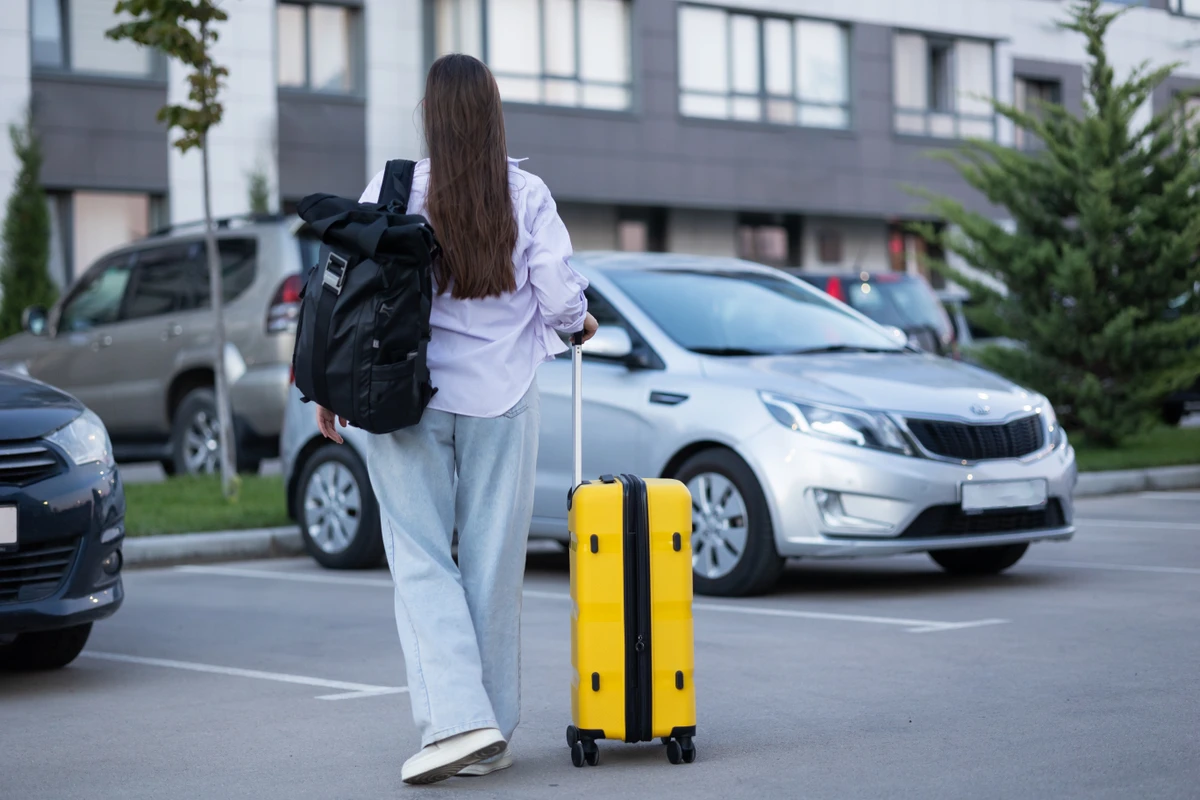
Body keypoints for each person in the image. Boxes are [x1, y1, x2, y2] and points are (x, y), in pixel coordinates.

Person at [315, 53, 598, 785]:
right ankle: (490, 734)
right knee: (493, 565)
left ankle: (456, 723)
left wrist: (325, 387)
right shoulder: (525, 193)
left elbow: (348, 297)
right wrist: (580, 322)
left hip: (405, 396)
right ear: (493, 113)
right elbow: (558, 295)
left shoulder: (394, 188)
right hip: (503, 395)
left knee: (420, 557)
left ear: (431, 115)